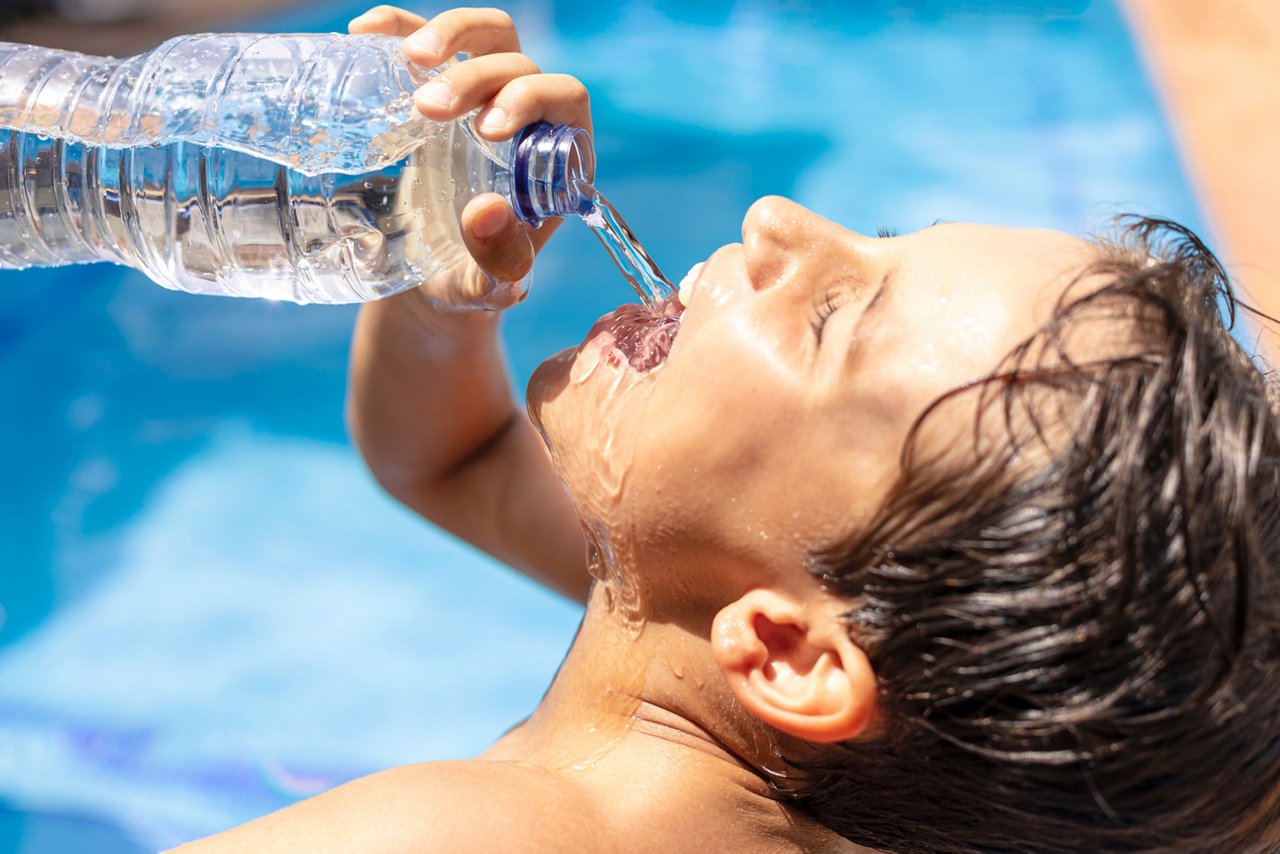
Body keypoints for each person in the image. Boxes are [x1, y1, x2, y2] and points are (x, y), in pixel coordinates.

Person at [177, 6, 1280, 852]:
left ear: (791, 656)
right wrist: (436, 287)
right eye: (881, 238)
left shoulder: (453, 831)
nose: (774, 223)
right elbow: (447, 460)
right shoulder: (863, 734)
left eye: (830, 315)